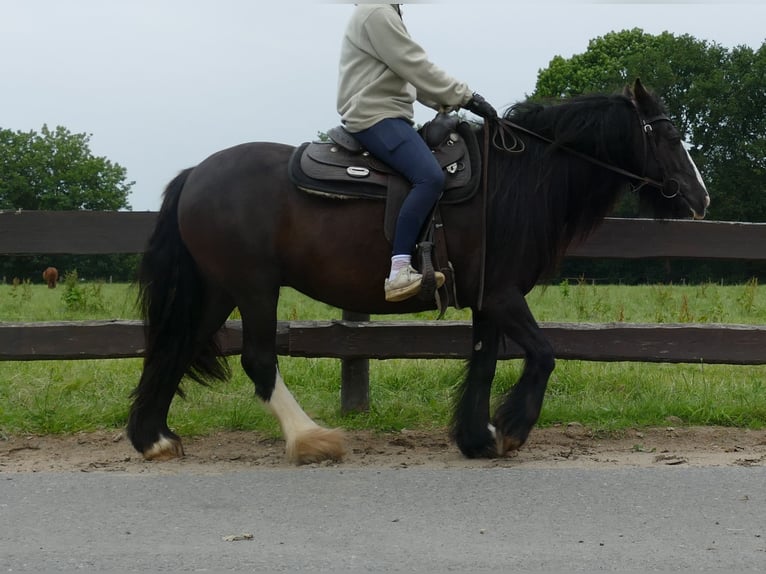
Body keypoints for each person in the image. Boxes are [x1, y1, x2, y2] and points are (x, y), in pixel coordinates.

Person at [337, 3, 497, 302]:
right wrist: (467, 96)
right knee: (428, 177)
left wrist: (452, 102)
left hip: (386, 114)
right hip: (375, 116)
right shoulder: (377, 12)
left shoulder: (382, 11)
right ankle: (399, 270)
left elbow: (412, 77)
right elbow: (416, 65)